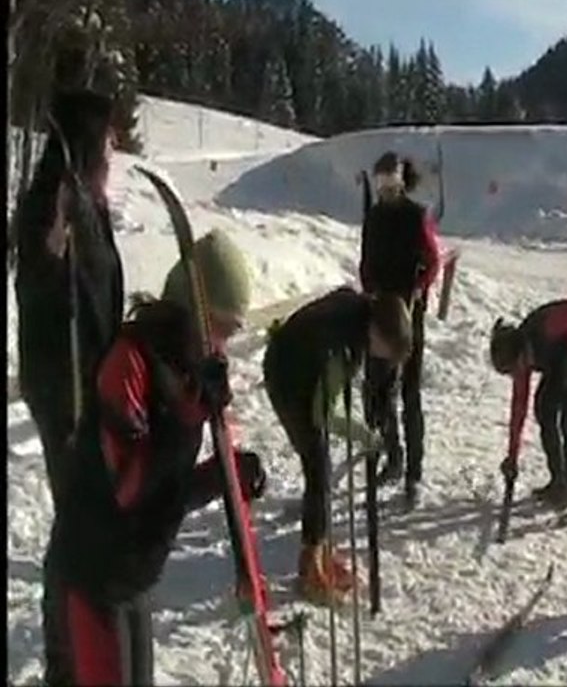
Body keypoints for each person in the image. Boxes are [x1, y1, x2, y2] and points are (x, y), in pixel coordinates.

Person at [42, 229, 266, 686]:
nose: (223, 342)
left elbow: (165, 494)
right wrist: (188, 416)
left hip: (132, 575)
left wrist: (222, 477)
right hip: (91, 574)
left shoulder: (187, 368)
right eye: (221, 325)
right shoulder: (131, 361)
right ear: (193, 311)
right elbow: (128, 488)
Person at [263, 286, 413, 604]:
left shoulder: (359, 309)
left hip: (297, 360)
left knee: (321, 465)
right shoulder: (341, 348)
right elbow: (323, 414)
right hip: (288, 380)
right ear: (376, 332)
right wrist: (366, 438)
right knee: (319, 471)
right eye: (386, 351)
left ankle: (320, 546)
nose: (383, 359)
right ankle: (309, 568)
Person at [13, 89, 124, 510]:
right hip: (64, 385)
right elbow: (41, 264)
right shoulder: (53, 202)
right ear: (88, 143)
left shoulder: (91, 205)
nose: (114, 149)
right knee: (81, 510)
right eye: (107, 140)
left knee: (97, 504)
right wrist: (55, 218)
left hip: (94, 376)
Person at [359, 151, 441, 506]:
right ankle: (393, 456)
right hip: (380, 310)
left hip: (408, 310)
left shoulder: (415, 215)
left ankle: (414, 475)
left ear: (401, 182)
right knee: (378, 390)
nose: (385, 191)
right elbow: (365, 261)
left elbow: (433, 260)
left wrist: (420, 288)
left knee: (409, 392)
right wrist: (370, 292)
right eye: (380, 185)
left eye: (390, 184)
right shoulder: (373, 216)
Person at [489, 280, 567, 510]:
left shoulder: (542, 328)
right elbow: (518, 410)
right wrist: (512, 457)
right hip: (560, 354)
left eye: (516, 368)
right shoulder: (522, 359)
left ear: (520, 352)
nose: (519, 375)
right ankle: (557, 481)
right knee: (544, 408)